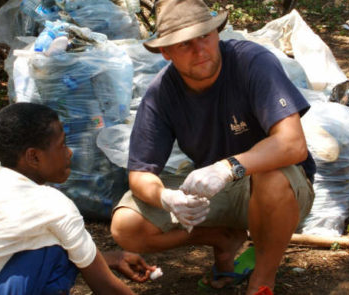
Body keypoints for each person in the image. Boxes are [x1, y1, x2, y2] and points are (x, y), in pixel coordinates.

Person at [110, 0, 316, 294]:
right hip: (214, 191)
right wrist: (167, 198)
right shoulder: (161, 94)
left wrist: (227, 167)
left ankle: (262, 281)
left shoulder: (251, 62)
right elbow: (139, 173)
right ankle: (222, 237)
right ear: (166, 52)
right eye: (184, 45)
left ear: (217, 33)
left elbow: (293, 144)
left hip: (280, 188)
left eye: (205, 36)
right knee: (125, 225)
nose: (200, 50)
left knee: (270, 176)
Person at [0, 102, 156, 295]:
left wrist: (111, 258)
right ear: (33, 156)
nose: (69, 152)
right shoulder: (52, 205)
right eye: (61, 145)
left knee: (58, 245)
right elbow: (105, 287)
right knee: (55, 255)